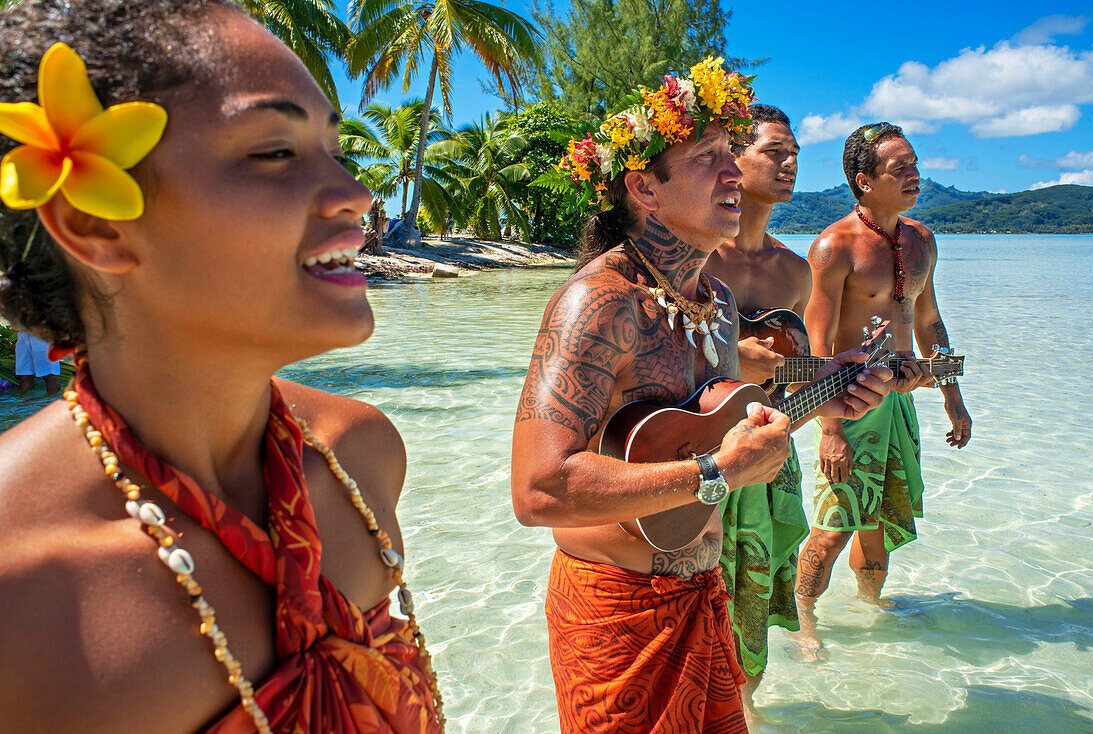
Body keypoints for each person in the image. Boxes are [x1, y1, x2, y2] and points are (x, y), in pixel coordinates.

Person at [0, 3, 443, 731]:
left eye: (336, 152)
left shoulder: (362, 455)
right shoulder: (22, 594)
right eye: (275, 152)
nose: (357, 197)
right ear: (95, 224)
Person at [510, 62, 894, 733]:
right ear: (644, 189)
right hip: (616, 614)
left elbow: (717, 430)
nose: (732, 172)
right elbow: (538, 490)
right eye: (708, 157)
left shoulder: (713, 304)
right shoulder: (598, 304)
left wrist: (830, 399)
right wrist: (717, 474)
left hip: (700, 596)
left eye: (731, 154)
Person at [791, 122, 972, 659]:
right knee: (832, 527)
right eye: (901, 169)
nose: (915, 175)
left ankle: (871, 610)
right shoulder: (833, 247)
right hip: (848, 402)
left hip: (899, 400)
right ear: (865, 181)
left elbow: (929, 320)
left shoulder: (921, 239)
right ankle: (804, 619)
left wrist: (953, 396)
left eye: (915, 164)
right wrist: (829, 429)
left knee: (880, 522)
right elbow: (815, 347)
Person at [702, 104, 810, 719]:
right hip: (700, 458)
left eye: (794, 152)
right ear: (732, 160)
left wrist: (841, 388)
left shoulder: (795, 271)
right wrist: (729, 364)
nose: (790, 162)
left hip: (767, 453)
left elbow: (797, 373)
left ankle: (749, 719)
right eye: (774, 151)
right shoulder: (695, 256)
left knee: (757, 601)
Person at [14, 329, 62, 395]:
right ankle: (25, 402)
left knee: (49, 374)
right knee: (25, 374)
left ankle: (54, 402)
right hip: (24, 334)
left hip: (43, 334)